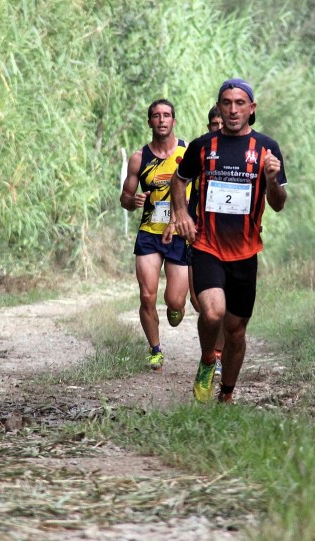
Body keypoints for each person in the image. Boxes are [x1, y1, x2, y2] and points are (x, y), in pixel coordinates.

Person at [167, 79, 288, 403]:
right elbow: (179, 181)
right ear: (219, 107)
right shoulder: (203, 146)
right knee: (213, 313)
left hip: (246, 253)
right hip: (208, 246)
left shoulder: (267, 148)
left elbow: (278, 203)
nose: (233, 109)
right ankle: (208, 360)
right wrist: (181, 213)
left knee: (236, 331)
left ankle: (226, 395)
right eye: (226, 103)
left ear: (251, 109)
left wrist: (272, 180)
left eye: (239, 103)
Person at [120, 99, 191, 371]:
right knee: (147, 296)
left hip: (180, 232)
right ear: (149, 122)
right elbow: (125, 198)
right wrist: (132, 200)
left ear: (174, 121)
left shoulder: (187, 152)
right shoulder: (139, 158)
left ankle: (176, 308)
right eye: (156, 116)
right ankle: (155, 349)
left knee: (174, 301)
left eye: (166, 115)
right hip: (150, 232)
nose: (161, 120)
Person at [186, 106, 226, 375]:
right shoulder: (200, 157)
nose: (219, 127)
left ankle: (219, 358)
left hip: (237, 245)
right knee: (207, 307)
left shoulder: (247, 157)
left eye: (222, 122)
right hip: (203, 242)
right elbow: (190, 207)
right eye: (214, 123)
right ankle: (209, 357)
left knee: (228, 310)